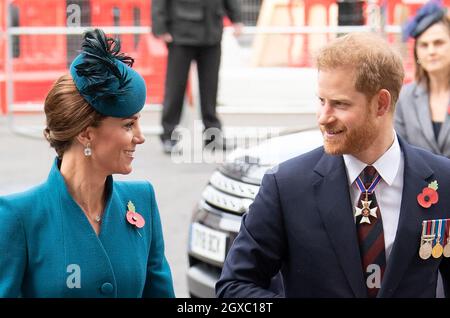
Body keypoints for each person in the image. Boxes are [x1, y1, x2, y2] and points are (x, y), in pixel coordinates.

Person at [216, 33, 450, 298]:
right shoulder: (286, 186)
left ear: (381, 104)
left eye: (339, 104)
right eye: (321, 101)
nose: (323, 117)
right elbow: (233, 286)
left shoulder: (443, 180)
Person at [0, 29, 175, 298]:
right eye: (128, 125)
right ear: (85, 133)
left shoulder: (143, 200)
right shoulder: (18, 217)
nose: (140, 137)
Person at [151, 0, 243, 153]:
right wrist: (160, 27)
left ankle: (213, 136)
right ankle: (169, 135)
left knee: (210, 88)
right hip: (180, 32)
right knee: (175, 88)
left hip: (211, 31)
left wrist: (236, 19)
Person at [395, 1, 450, 157]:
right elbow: (400, 153)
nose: (431, 51)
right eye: (424, 45)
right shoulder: (404, 98)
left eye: (438, 43)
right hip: (419, 180)